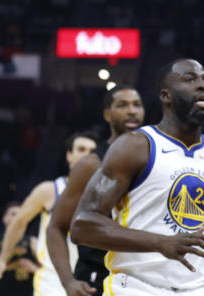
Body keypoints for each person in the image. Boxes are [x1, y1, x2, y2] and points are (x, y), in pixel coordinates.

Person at [70, 59, 204, 296]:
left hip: (198, 291)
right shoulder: (135, 146)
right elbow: (82, 226)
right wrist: (161, 242)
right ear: (165, 96)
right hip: (136, 288)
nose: (202, 86)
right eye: (190, 79)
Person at [47, 86, 145, 296]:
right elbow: (55, 227)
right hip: (96, 279)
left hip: (140, 279)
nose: (131, 111)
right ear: (107, 115)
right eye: (122, 105)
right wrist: (68, 282)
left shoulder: (154, 159)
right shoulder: (91, 164)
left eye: (137, 105)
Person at [0, 132, 98, 296]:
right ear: (69, 155)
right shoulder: (49, 190)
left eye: (91, 151)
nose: (86, 155)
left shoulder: (105, 192)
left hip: (93, 280)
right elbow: (19, 222)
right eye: (81, 149)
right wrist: (2, 259)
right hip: (53, 282)